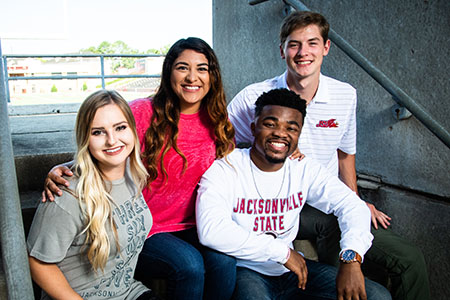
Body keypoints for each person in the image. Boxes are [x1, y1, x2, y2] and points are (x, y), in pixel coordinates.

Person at [227, 10, 430, 300]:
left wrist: (354, 200)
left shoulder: (344, 95)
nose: (303, 52)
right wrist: (274, 149)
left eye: (312, 43)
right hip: (273, 202)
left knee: (410, 259)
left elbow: (345, 155)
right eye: (294, 44)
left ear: (326, 47)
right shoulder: (254, 98)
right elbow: (221, 147)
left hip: (323, 200)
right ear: (282, 50)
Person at [42, 38, 236, 300]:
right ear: (169, 73)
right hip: (145, 226)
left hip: (196, 224)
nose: (192, 77)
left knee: (225, 263)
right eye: (182, 67)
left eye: (202, 68)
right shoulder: (143, 112)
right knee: (189, 266)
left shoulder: (218, 119)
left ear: (212, 75)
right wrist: (62, 167)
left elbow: (258, 144)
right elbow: (107, 144)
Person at [196, 88, 391, 300]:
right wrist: (283, 253)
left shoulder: (302, 168)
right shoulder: (225, 168)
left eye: (291, 128)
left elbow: (351, 205)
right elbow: (212, 230)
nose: (280, 133)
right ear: (253, 128)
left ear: (298, 135)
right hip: (247, 271)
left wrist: (351, 258)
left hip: (293, 273)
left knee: (377, 296)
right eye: (270, 124)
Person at [28, 90, 159, 299]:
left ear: (133, 130)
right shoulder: (66, 195)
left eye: (120, 127)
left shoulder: (132, 173)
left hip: (128, 292)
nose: (112, 140)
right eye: (98, 132)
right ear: (85, 138)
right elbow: (38, 262)